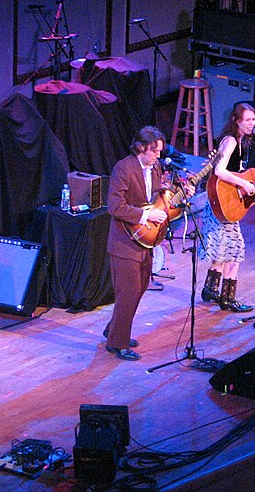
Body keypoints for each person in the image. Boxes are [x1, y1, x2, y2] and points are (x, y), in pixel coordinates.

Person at [103, 126, 168, 361]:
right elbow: (114, 206)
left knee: (139, 289)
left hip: (145, 240)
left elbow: (156, 196)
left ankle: (114, 329)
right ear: (141, 148)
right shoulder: (124, 168)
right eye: (155, 151)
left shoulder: (155, 167)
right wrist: (145, 216)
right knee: (128, 292)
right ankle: (117, 343)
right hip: (124, 241)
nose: (158, 156)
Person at [198, 102, 255, 312]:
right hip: (221, 201)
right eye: (247, 120)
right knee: (235, 251)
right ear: (236, 121)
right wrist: (243, 183)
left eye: (253, 120)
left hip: (224, 202)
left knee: (223, 250)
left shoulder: (239, 143)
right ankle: (228, 299)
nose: (251, 124)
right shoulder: (230, 142)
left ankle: (210, 289)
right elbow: (219, 170)